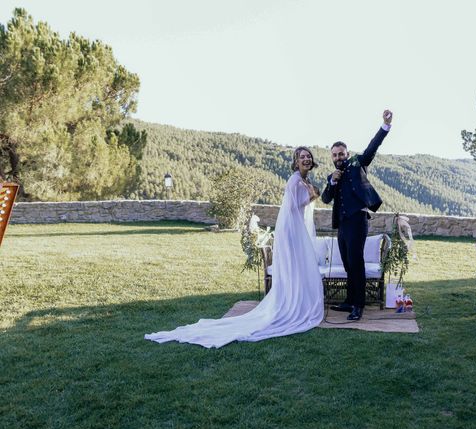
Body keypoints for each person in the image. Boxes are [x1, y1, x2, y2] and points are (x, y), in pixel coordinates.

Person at [145, 147, 324, 348]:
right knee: (294, 267)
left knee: (298, 268)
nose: (306, 159)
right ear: (296, 161)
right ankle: (292, 307)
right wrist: (311, 196)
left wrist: (311, 194)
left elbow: (301, 204)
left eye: (308, 156)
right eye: (302, 157)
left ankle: (298, 303)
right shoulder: (294, 180)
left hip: (296, 226)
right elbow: (291, 207)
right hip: (291, 230)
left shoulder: (304, 180)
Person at [321, 110, 392, 321]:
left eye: (341, 154)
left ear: (347, 153)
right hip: (342, 224)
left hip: (358, 221)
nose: (338, 157)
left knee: (356, 261)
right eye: (334, 155)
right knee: (347, 263)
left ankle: (358, 306)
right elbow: (325, 199)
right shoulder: (332, 176)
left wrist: (385, 126)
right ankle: (350, 300)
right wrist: (332, 182)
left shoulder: (357, 164)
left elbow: (372, 147)